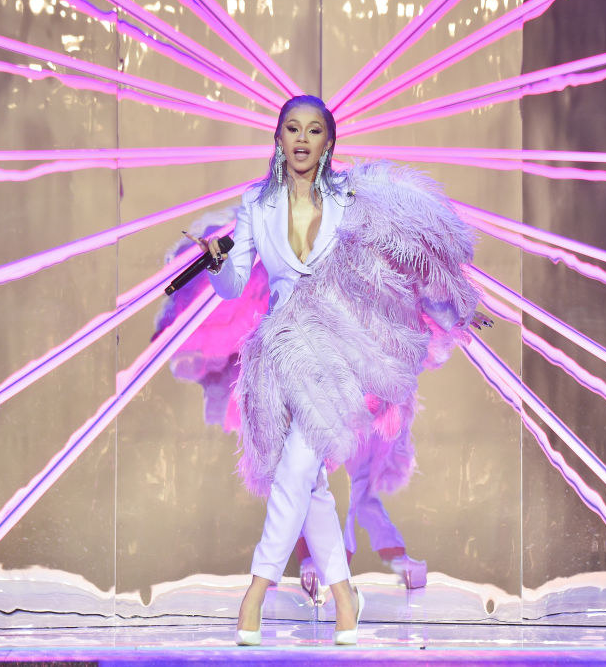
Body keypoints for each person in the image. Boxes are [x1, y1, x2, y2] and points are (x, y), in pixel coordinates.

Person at [184, 95, 489, 646]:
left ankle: (255, 592)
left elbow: (401, 258)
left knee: (297, 464)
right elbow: (234, 284)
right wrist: (214, 261)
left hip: (339, 350)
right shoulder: (256, 204)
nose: (302, 139)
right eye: (292, 129)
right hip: (281, 353)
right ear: (278, 139)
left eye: (314, 130)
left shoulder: (352, 201)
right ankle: (346, 598)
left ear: (329, 142)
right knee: (311, 480)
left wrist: (454, 305)